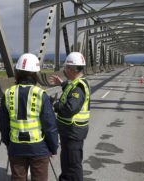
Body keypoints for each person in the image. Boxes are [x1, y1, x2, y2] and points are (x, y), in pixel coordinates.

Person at [0, 53, 58, 181]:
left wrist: (9, 144)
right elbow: (50, 125)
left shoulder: (8, 93)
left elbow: (3, 124)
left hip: (16, 147)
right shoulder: (41, 94)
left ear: (17, 72)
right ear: (36, 74)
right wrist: (53, 147)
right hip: (38, 148)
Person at [49, 52, 90, 181]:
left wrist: (56, 106)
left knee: (73, 165)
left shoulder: (79, 87)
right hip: (70, 131)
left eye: (66, 67)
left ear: (71, 69)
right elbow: (70, 91)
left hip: (73, 132)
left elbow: (70, 108)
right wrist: (62, 84)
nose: (65, 70)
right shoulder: (75, 82)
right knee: (67, 163)